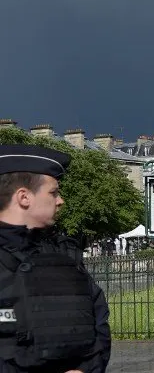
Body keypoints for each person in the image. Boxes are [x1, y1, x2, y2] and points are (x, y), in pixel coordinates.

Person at [0, 144, 111, 373]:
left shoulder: (65, 256)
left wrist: (86, 369)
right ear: (24, 197)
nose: (60, 201)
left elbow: (98, 323)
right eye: (53, 192)